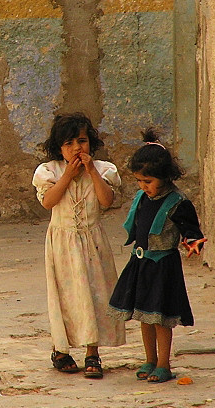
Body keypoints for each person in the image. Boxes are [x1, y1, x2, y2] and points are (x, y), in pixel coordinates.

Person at [108, 128, 206, 384]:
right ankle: (149, 359)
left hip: (163, 266)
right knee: (144, 314)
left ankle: (164, 364)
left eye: (148, 181)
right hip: (140, 263)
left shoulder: (178, 202)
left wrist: (193, 243)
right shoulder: (141, 198)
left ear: (165, 177)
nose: (143, 186)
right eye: (139, 181)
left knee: (161, 317)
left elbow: (191, 230)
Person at [32, 113, 126, 379]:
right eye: (69, 143)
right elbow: (48, 202)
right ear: (58, 148)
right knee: (66, 296)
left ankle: (92, 352)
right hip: (62, 242)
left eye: (82, 141)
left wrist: (91, 171)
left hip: (93, 241)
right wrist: (68, 176)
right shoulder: (49, 171)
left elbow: (106, 201)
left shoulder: (104, 169)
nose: (77, 148)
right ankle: (60, 349)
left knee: (95, 294)